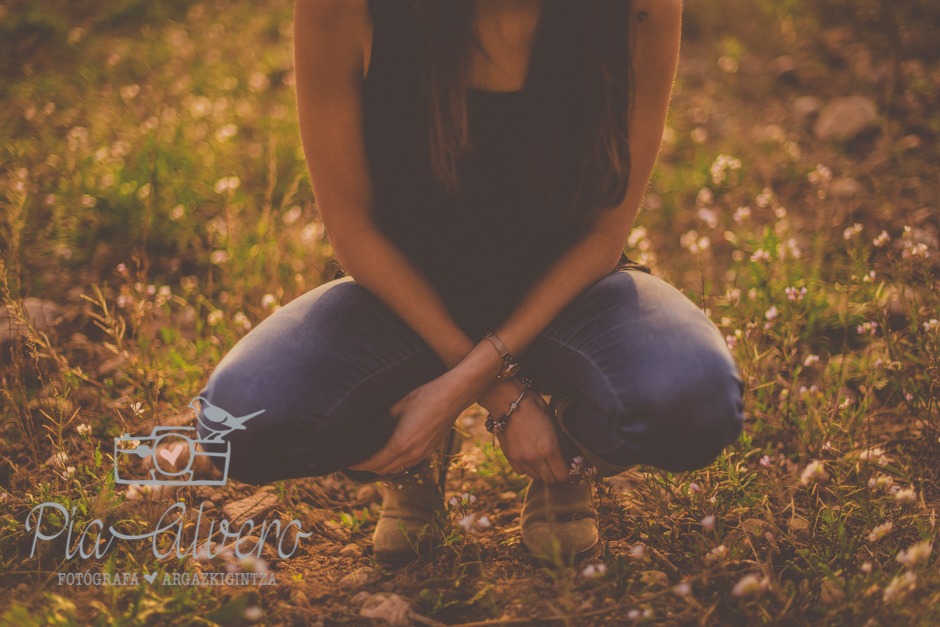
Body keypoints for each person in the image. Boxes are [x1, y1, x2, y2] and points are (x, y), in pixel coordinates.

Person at [195, 0, 744, 564]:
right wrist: (498, 393)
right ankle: (412, 460)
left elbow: (605, 234)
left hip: (572, 294)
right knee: (239, 425)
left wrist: (481, 382)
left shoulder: (639, 9)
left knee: (695, 401)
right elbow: (352, 228)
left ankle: (564, 455)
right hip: (399, 300)